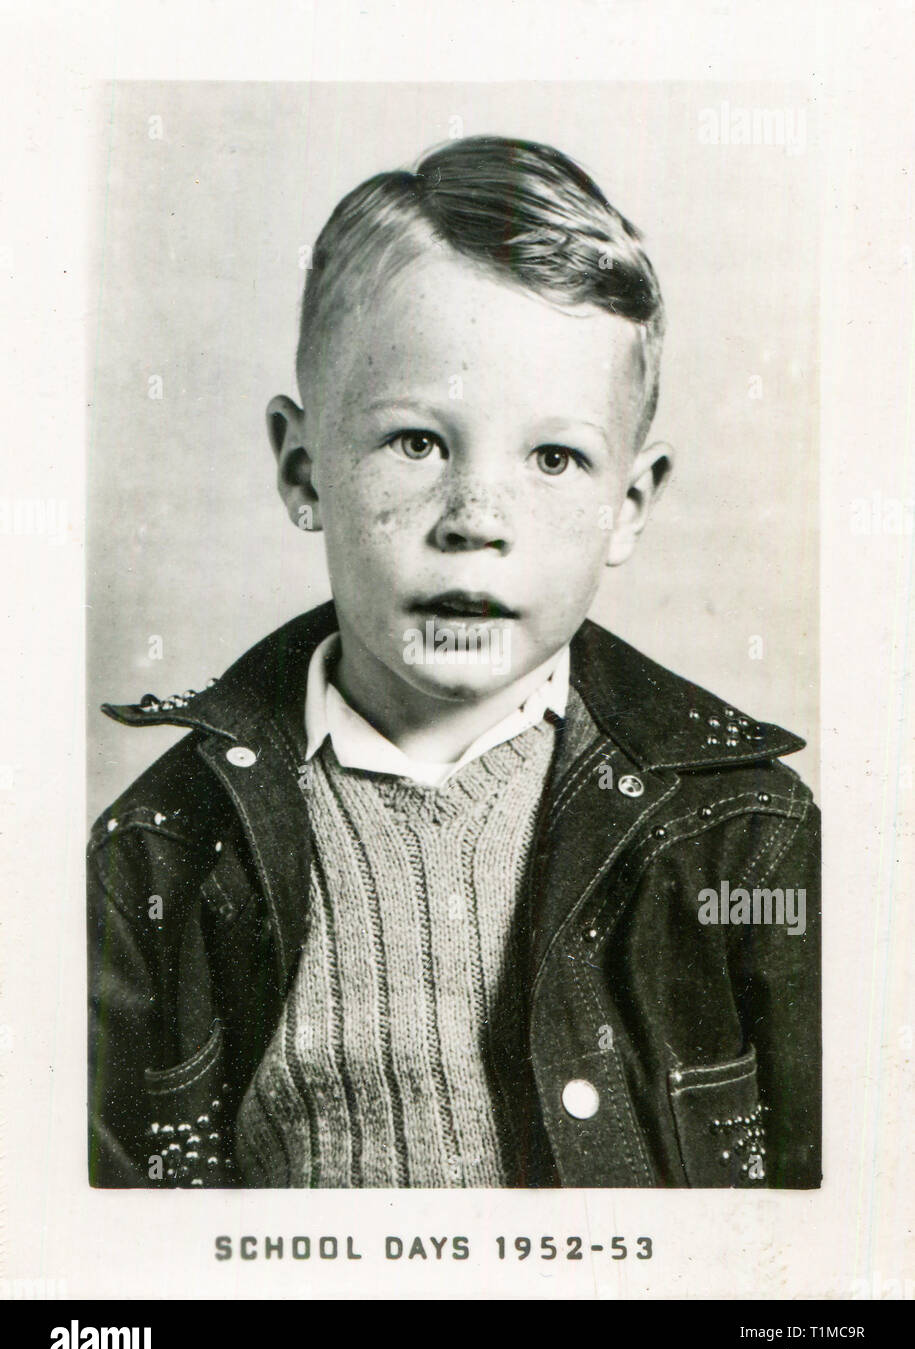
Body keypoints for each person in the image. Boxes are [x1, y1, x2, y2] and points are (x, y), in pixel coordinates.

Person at [88, 135, 820, 1189]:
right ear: (302, 469)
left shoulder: (745, 845)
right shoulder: (158, 861)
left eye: (555, 457)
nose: (477, 520)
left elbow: (842, 1249)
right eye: (418, 443)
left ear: (630, 504)